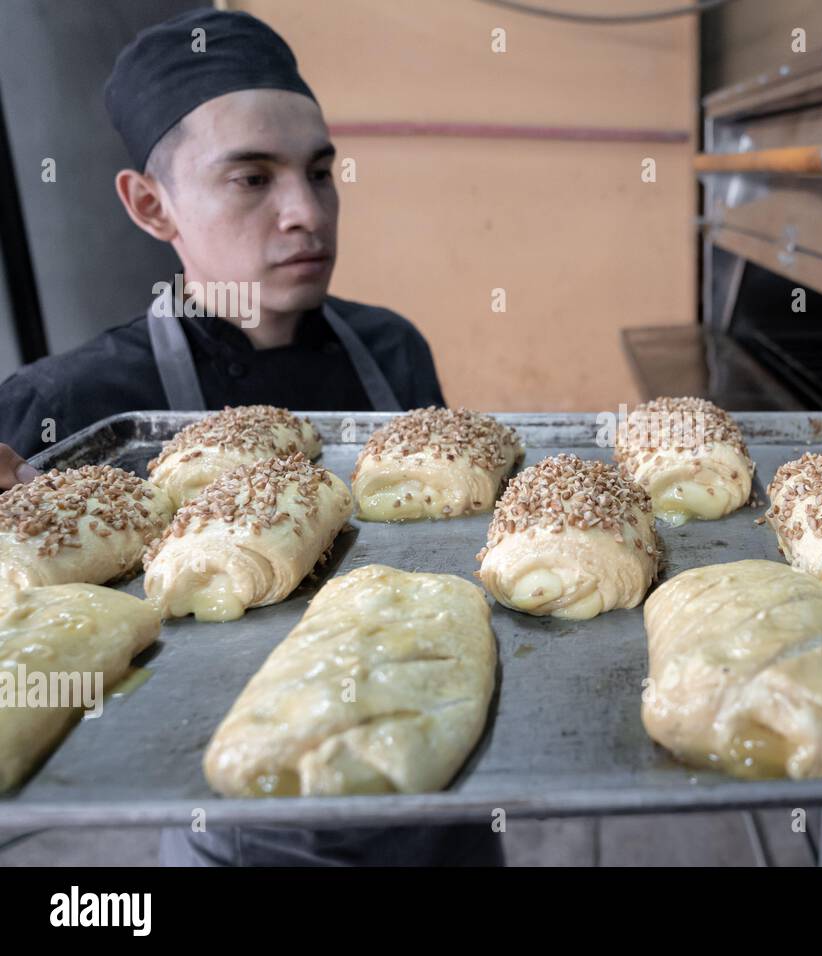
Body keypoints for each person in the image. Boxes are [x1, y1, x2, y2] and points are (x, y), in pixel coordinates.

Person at [0, 8, 501, 867]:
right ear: (152, 206)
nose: (306, 213)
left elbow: (453, 548)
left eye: (320, 172)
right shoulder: (72, 398)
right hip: (228, 814)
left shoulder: (392, 347)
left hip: (433, 769)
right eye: (251, 179)